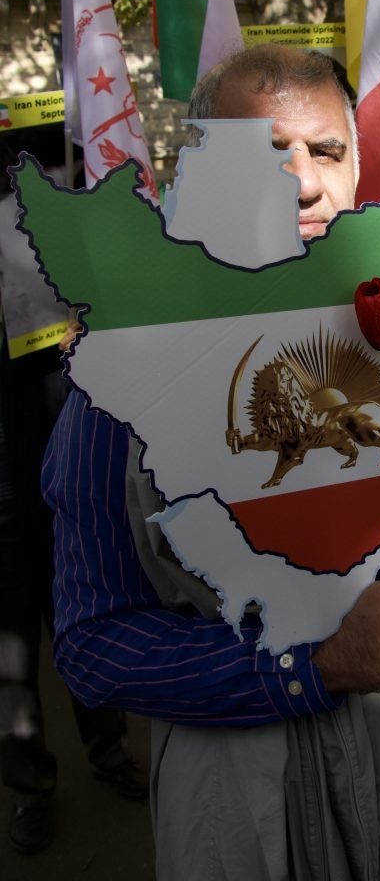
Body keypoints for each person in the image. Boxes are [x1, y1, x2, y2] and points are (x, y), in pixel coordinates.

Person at [43, 45, 380, 880]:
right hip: (289, 823)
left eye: (325, 150)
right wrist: (315, 670)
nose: (302, 181)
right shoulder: (122, 380)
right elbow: (95, 641)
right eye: (264, 152)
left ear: (357, 166)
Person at [0, 128, 147, 856]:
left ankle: (109, 748)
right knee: (10, 655)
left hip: (59, 485)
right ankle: (29, 787)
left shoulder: (44, 226)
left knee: (82, 620)